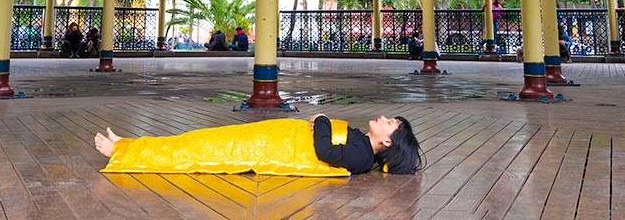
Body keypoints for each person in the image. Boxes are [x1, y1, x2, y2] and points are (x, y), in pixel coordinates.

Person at [93, 113, 423, 177]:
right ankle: (131, 145)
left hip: (269, 147)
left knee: (200, 149)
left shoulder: (362, 156)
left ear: (388, 140)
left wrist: (321, 120)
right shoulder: (363, 145)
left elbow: (324, 151)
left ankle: (125, 152)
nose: (382, 117)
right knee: (200, 141)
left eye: (390, 122)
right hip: (275, 136)